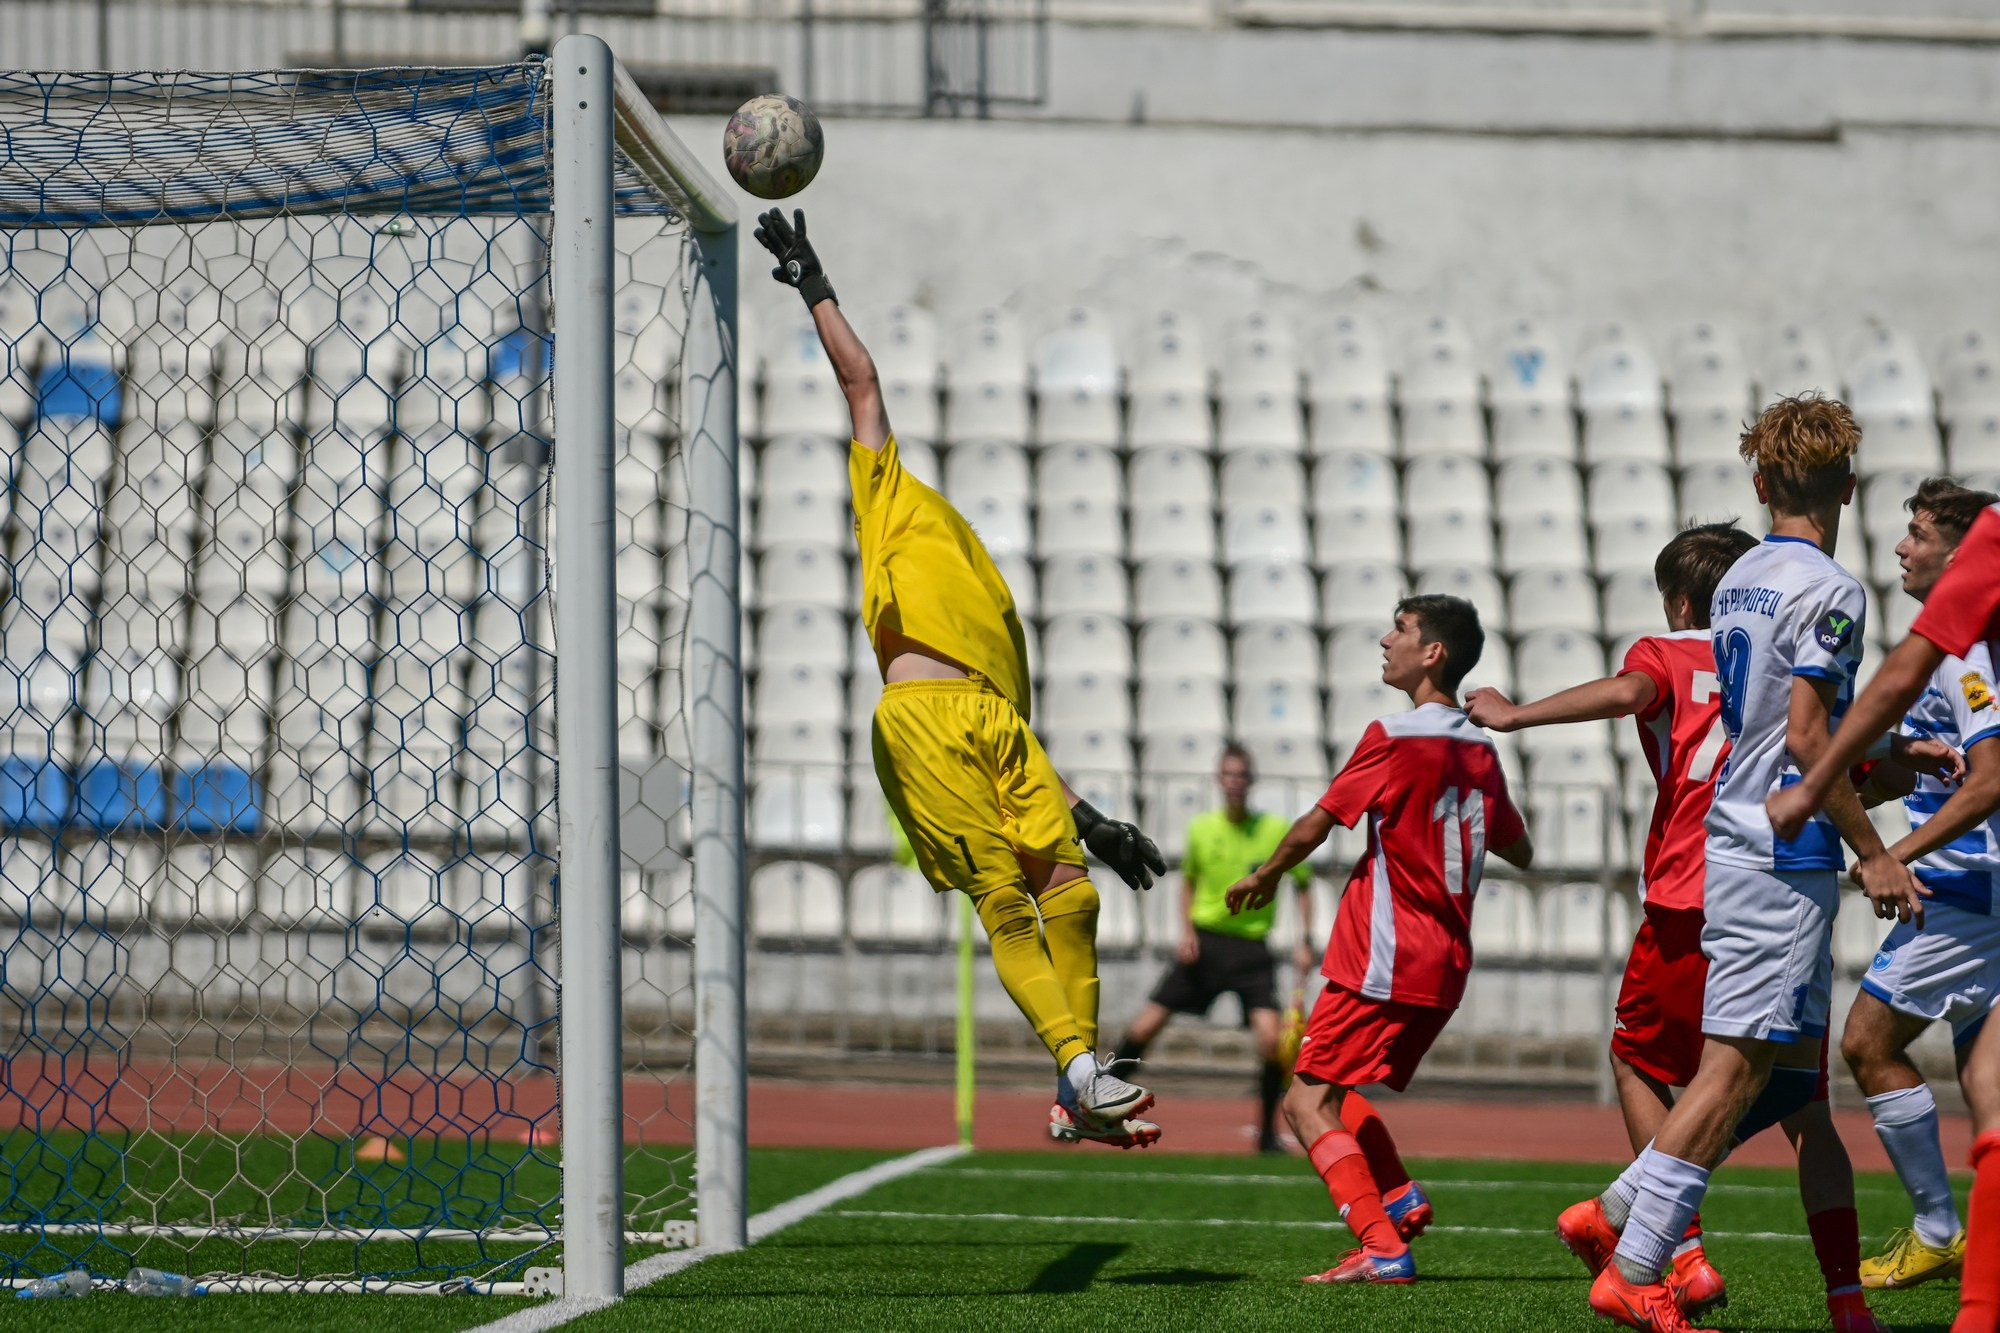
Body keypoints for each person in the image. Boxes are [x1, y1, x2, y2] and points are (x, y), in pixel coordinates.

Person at [753, 208, 1168, 1147]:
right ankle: (1077, 1068)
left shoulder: (988, 585)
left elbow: (1008, 719)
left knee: (1076, 890)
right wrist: (814, 280)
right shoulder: (888, 492)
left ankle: (1080, 1087)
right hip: (921, 717)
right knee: (1006, 900)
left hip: (991, 722)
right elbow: (862, 382)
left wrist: (1092, 817)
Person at [1468, 522, 1907, 1324]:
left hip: (1696, 888)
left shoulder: (1669, 653)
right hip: (1788, 883)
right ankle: (1847, 1299)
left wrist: (1515, 713)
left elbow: (1631, 693)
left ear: (1678, 600)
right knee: (1803, 1107)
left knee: (1641, 1059)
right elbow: (1847, 765)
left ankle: (1677, 1252)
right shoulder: (1782, 653)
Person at [1569, 393, 1893, 1333]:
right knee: (1739, 1068)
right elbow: (1805, 738)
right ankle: (1633, 1261)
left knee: (1778, 1076)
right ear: (1849, 486)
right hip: (1783, 854)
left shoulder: (1744, 576)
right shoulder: (1831, 589)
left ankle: (1620, 1211)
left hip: (1729, 843)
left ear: (1759, 484)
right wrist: (1872, 853)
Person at [1223, 595, 1532, 1285]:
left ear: (1433, 654)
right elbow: (1522, 847)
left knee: (1303, 1102)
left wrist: (1267, 872)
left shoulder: (1393, 734)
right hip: (1445, 963)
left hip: (1385, 955)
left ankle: (1381, 1243)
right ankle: (1395, 1193)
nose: (1384, 638)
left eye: (1402, 629)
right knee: (1332, 1083)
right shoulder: (1482, 748)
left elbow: (1318, 821)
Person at [1837, 480, 2000, 1289]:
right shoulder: (1953, 645)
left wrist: (1889, 854)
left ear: (1962, 554)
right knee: (1985, 1085)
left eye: (1919, 533)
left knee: (1867, 1042)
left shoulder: (1966, 650)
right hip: (1971, 887)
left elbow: (1986, 781)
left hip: (1970, 891)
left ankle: (1939, 1229)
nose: (1902, 546)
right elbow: (1949, 764)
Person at [1111, 743, 1316, 1154]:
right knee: (1143, 1028)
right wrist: (1185, 931)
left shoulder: (1275, 829)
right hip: (1205, 946)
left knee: (1271, 1041)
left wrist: (1305, 941)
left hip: (1252, 950)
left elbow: (1304, 883)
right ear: (1219, 781)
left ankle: (1268, 1134)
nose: (1235, 783)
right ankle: (1103, 1106)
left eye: (1241, 775)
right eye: (1228, 775)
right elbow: (1187, 883)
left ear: (1250, 781)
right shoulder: (1202, 828)